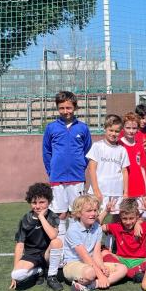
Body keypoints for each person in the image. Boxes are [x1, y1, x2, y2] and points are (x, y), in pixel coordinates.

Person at [42, 90, 92, 239]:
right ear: (57, 108)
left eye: (68, 108)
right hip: (57, 177)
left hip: (76, 177)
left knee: (75, 212)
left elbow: (88, 150)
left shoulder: (82, 128)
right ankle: (61, 246)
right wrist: (51, 171)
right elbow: (46, 151)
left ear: (75, 107)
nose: (65, 111)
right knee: (60, 212)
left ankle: (75, 245)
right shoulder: (51, 128)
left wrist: (81, 165)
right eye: (62, 108)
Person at [63, 195, 128, 291]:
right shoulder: (73, 230)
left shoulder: (97, 227)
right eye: (89, 211)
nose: (93, 214)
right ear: (79, 213)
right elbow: (85, 257)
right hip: (73, 264)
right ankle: (94, 280)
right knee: (90, 273)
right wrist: (101, 275)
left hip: (92, 263)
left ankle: (90, 285)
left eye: (95, 210)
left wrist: (102, 267)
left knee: (123, 269)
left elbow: (97, 253)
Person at [10, 182, 64, 291]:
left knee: (57, 242)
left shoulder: (52, 216)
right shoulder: (25, 220)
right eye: (34, 203)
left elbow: (53, 236)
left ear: (49, 202)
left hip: (47, 254)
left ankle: (51, 276)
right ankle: (39, 270)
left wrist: (41, 217)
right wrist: (14, 269)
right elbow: (20, 246)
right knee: (16, 275)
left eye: (42, 202)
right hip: (32, 255)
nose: (38, 206)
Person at [98, 198, 146, 283]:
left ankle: (125, 273)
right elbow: (96, 227)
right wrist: (106, 211)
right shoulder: (116, 226)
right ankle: (133, 273)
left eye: (131, 218)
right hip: (122, 261)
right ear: (120, 217)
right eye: (124, 218)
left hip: (140, 261)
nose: (128, 222)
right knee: (103, 253)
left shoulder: (143, 226)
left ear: (137, 216)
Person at [86, 114, 130, 215]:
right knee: (97, 218)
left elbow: (124, 171)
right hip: (100, 192)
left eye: (117, 131)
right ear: (105, 129)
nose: (113, 133)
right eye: (111, 130)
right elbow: (91, 169)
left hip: (116, 192)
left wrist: (126, 192)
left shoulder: (122, 150)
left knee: (115, 221)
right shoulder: (97, 146)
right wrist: (96, 190)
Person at [120, 112, 146, 198]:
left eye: (134, 128)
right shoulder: (119, 144)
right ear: (123, 128)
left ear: (137, 129)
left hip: (139, 186)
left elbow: (142, 168)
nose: (131, 131)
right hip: (125, 186)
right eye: (128, 128)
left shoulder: (139, 146)